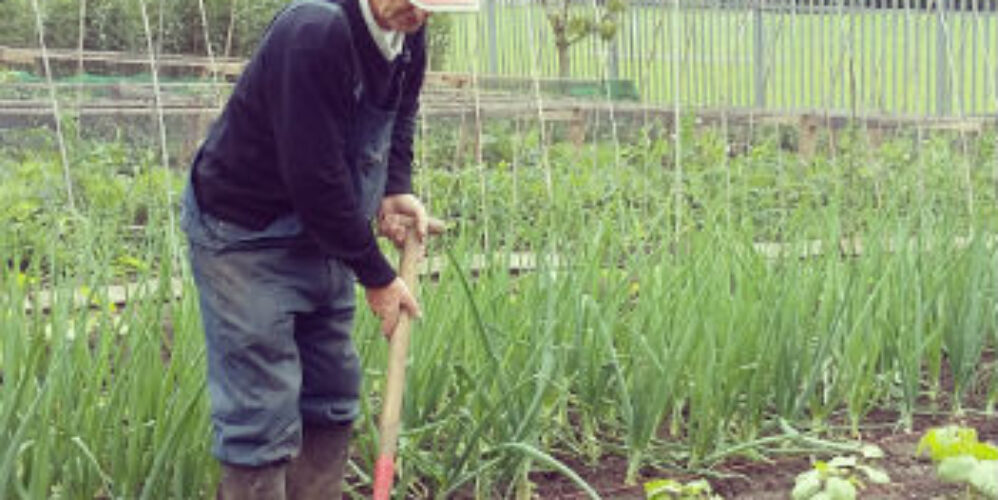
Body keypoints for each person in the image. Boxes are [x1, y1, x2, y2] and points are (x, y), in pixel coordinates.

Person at [179, 0, 475, 497]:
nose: (420, 16)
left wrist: (392, 185)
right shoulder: (315, 32)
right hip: (246, 236)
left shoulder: (408, 30)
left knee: (333, 391)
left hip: (327, 230)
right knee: (261, 408)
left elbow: (401, 113)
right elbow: (314, 177)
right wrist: (378, 277)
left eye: (431, 7)